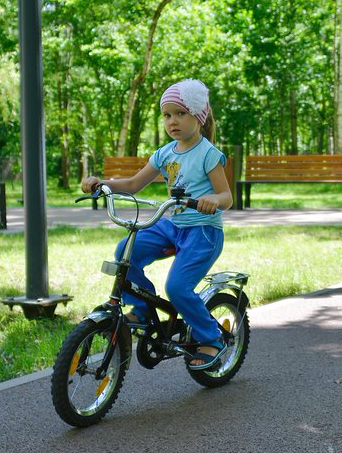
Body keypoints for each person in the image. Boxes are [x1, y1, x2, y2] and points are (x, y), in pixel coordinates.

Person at [81, 79, 233, 370]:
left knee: (177, 287)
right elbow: (134, 184)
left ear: (198, 116)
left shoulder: (208, 153)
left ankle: (212, 338)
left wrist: (213, 200)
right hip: (174, 225)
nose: (172, 121)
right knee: (126, 251)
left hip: (203, 230)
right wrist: (102, 184)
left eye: (180, 113)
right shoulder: (165, 153)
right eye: (167, 115)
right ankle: (141, 311)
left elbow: (226, 196)